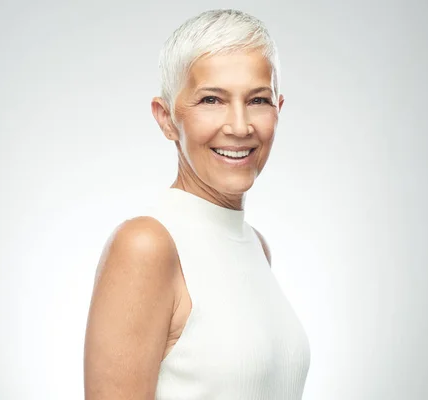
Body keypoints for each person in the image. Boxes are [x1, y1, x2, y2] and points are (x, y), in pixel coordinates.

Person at [83, 9, 310, 400]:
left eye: (258, 100)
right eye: (211, 100)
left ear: (278, 110)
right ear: (167, 118)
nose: (240, 127)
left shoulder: (256, 246)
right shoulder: (147, 245)